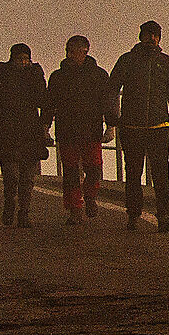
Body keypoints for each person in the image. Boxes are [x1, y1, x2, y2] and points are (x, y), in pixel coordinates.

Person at [108, 20, 169, 232]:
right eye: (148, 35)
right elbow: (112, 89)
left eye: (155, 35)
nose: (152, 39)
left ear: (159, 38)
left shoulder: (166, 62)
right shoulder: (127, 60)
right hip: (132, 127)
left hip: (158, 126)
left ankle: (164, 215)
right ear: (140, 36)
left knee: (161, 174)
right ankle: (133, 214)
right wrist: (112, 118)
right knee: (134, 173)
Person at [43, 34, 115, 225]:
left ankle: (89, 197)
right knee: (71, 173)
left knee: (93, 169)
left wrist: (111, 125)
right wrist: (45, 126)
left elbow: (107, 102)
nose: (70, 54)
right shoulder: (58, 77)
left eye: (73, 51)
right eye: (69, 50)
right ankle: (75, 209)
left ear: (85, 51)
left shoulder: (99, 75)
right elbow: (50, 104)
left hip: (90, 131)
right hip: (68, 132)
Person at [0, 43, 49, 228]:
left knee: (28, 177)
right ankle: (10, 203)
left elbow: (42, 100)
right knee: (11, 176)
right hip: (7, 132)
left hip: (30, 131)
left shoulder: (34, 76)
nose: (23, 62)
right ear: (12, 59)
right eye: (19, 59)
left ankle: (24, 212)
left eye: (25, 59)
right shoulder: (0, 77)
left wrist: (37, 76)